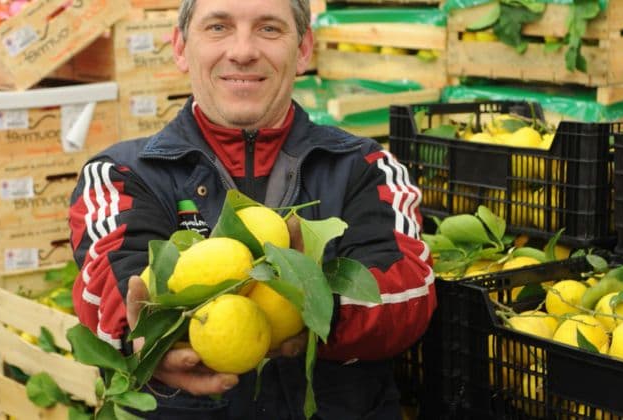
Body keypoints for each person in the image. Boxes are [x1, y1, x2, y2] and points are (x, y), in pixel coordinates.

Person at [68, 0, 435, 417]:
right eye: (219, 27)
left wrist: (306, 301)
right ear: (181, 47)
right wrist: (147, 334)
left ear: (302, 50)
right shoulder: (123, 174)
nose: (243, 51)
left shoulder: (365, 168)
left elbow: (409, 295)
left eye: (269, 29)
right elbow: (109, 291)